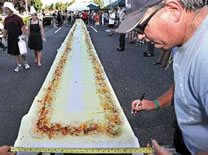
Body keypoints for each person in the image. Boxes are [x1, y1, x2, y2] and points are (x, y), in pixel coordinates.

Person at [117, 0, 208, 154]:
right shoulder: (184, 37)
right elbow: (184, 83)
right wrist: (155, 103)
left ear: (173, 10)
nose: (140, 37)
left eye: (142, 26)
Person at [3, 2, 30, 72]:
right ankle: (19, 66)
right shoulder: (6, 19)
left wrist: (23, 35)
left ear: (10, 9)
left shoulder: (18, 18)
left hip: (19, 37)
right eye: (5, 9)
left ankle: (25, 63)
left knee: (22, 51)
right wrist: (3, 37)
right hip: (11, 38)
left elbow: (23, 27)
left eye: (7, 9)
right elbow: (5, 29)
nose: (6, 11)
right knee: (16, 53)